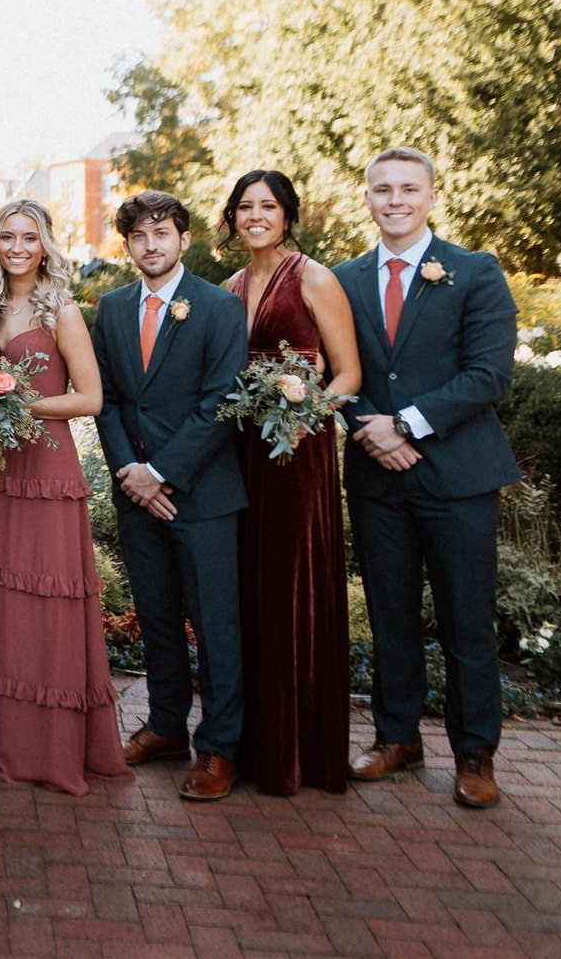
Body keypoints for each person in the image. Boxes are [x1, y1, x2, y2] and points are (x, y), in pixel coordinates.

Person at [335, 148, 520, 809]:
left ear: (432, 196)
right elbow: (335, 367)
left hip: (458, 475)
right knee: (390, 613)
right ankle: (397, 736)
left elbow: (489, 374)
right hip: (377, 476)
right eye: (383, 189)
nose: (396, 199)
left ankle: (475, 754)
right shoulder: (343, 279)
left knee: (465, 618)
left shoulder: (474, 272)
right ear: (367, 198)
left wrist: (405, 424)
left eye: (409, 188)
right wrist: (368, 426)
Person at [0, 200, 132, 796]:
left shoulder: (61, 308)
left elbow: (90, 399)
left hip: (48, 472)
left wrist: (15, 406)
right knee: (3, 600)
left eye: (28, 237)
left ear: (45, 244)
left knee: (49, 603)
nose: (16, 247)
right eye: (7, 236)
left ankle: (53, 749)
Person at [90, 191, 248, 802]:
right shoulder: (112, 308)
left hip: (202, 495)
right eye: (138, 236)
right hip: (138, 493)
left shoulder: (218, 307)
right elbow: (109, 398)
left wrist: (163, 472)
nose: (150, 245)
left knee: (215, 624)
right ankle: (164, 726)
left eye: (162, 233)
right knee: (156, 616)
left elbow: (221, 402)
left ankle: (219, 748)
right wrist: (131, 470)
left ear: (184, 238)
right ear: (127, 245)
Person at [219, 171, 361, 796]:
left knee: (288, 588)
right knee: (245, 589)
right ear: (232, 218)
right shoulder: (225, 289)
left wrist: (304, 421)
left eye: (267, 206)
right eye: (244, 207)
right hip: (240, 454)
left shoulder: (313, 278)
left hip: (296, 455)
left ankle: (298, 750)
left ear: (287, 215)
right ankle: (248, 744)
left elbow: (348, 373)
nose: (255, 216)